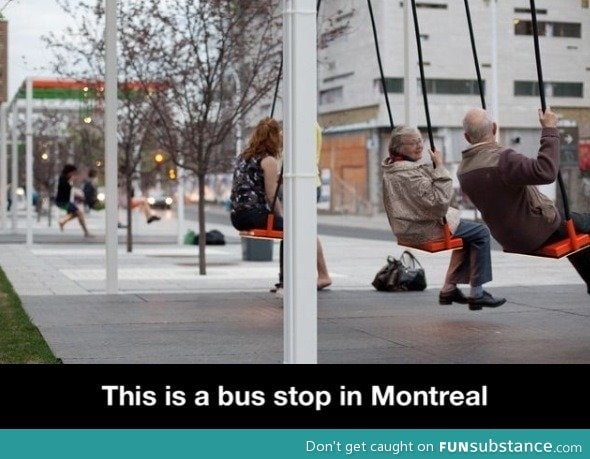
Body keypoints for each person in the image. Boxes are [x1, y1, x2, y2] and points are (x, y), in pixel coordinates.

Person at [458, 107, 590, 295]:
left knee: (577, 241)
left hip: (509, 238)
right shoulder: (503, 160)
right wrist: (550, 130)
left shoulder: (463, 170)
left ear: (466, 137)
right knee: (585, 223)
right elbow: (546, 171)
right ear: (494, 129)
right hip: (538, 229)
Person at [382, 126, 505, 310]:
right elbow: (439, 202)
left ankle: (449, 289)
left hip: (408, 227)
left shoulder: (392, 168)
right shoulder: (407, 174)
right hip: (423, 229)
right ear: (399, 147)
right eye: (413, 143)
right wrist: (439, 167)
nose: (420, 146)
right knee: (480, 233)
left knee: (465, 236)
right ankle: (477, 294)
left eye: (420, 141)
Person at [230, 117, 331, 298]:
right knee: (292, 229)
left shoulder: (243, 157)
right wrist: (281, 215)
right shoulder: (268, 160)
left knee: (288, 229)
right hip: (254, 214)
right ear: (274, 138)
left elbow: (256, 182)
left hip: (237, 216)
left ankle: (288, 280)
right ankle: (286, 282)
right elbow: (271, 196)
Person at [55, 164, 93, 237]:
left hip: (65, 201)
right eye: (73, 173)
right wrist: (70, 181)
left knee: (77, 214)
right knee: (79, 213)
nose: (74, 174)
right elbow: (65, 189)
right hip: (62, 202)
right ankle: (86, 233)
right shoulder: (63, 179)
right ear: (69, 172)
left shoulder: (65, 179)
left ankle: (62, 222)